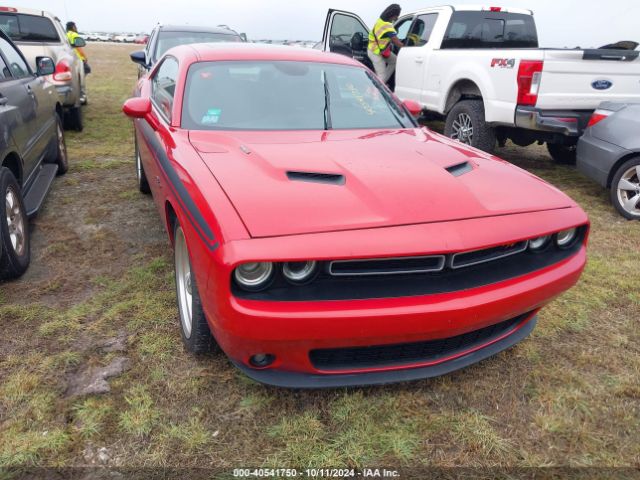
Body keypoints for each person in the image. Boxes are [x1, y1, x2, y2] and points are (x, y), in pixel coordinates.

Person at [367, 4, 404, 85]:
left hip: (379, 49)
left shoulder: (380, 20)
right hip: (375, 52)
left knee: (394, 60)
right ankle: (375, 91)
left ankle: (382, 84)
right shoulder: (387, 26)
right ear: (392, 15)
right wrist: (405, 48)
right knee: (382, 75)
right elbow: (396, 41)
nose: (396, 18)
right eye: (396, 16)